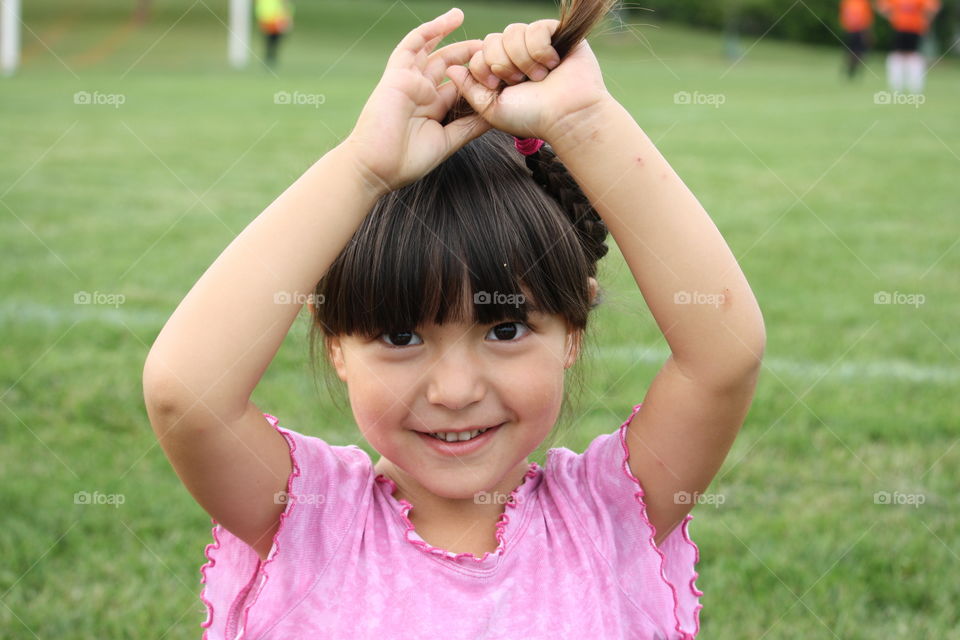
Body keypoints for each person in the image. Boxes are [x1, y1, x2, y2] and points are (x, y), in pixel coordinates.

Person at [143, 1, 765, 637]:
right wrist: (362, 168)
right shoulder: (304, 517)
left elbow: (725, 356)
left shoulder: (609, 514)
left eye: (504, 330)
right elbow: (185, 396)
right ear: (334, 341)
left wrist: (584, 122)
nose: (456, 390)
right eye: (401, 335)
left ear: (572, 330)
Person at [876, 0, 942, 94]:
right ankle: (897, 85)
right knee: (898, 55)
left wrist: (926, 21)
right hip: (899, 28)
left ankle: (915, 85)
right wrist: (892, 18)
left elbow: (934, 7)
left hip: (915, 29)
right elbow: (881, 6)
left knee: (912, 55)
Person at [840, 0, 874, 79]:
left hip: (861, 31)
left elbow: (868, 18)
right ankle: (850, 69)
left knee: (860, 52)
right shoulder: (847, 2)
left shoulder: (864, 3)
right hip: (850, 30)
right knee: (849, 52)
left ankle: (855, 69)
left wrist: (867, 32)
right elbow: (843, 15)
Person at [255, 0, 294, 68]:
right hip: (266, 19)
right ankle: (269, 59)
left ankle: (271, 59)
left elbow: (285, 5)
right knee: (268, 42)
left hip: (277, 20)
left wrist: (287, 19)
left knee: (274, 41)